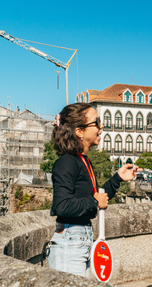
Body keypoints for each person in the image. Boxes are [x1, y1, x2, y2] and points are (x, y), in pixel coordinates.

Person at [48, 103, 139, 277]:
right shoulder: (67, 162)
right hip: (71, 240)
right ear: (79, 131)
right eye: (96, 122)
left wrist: (117, 179)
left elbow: (98, 196)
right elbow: (61, 206)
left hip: (79, 238)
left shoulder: (83, 161)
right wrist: (94, 201)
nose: (101, 126)